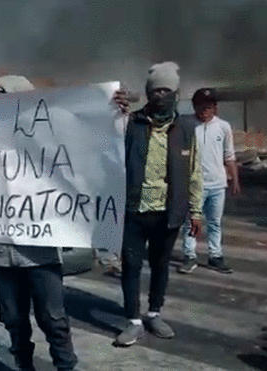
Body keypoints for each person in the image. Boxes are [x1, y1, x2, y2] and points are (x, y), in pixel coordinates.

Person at [0, 75, 129, 371]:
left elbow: (94, 144)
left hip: (40, 248)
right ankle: (24, 365)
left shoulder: (49, 137)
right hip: (1, 250)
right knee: (13, 319)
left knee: (53, 319)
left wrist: (112, 113)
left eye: (2, 100)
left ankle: (65, 367)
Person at [114, 62, 203, 347]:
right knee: (130, 266)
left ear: (176, 93)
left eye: (166, 90)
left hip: (168, 213)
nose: (160, 95)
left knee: (160, 265)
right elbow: (102, 139)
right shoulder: (131, 123)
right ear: (148, 93)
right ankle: (133, 321)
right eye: (155, 90)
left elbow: (194, 172)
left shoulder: (186, 129)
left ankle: (154, 313)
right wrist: (110, 108)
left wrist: (196, 211)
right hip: (133, 211)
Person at [178, 88, 239, 274]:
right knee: (190, 222)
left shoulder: (223, 127)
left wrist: (234, 179)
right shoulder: (186, 124)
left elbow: (229, 155)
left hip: (217, 184)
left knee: (214, 222)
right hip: (194, 185)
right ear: (194, 106)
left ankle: (215, 256)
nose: (205, 109)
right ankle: (190, 256)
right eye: (201, 106)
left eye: (209, 106)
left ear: (215, 107)